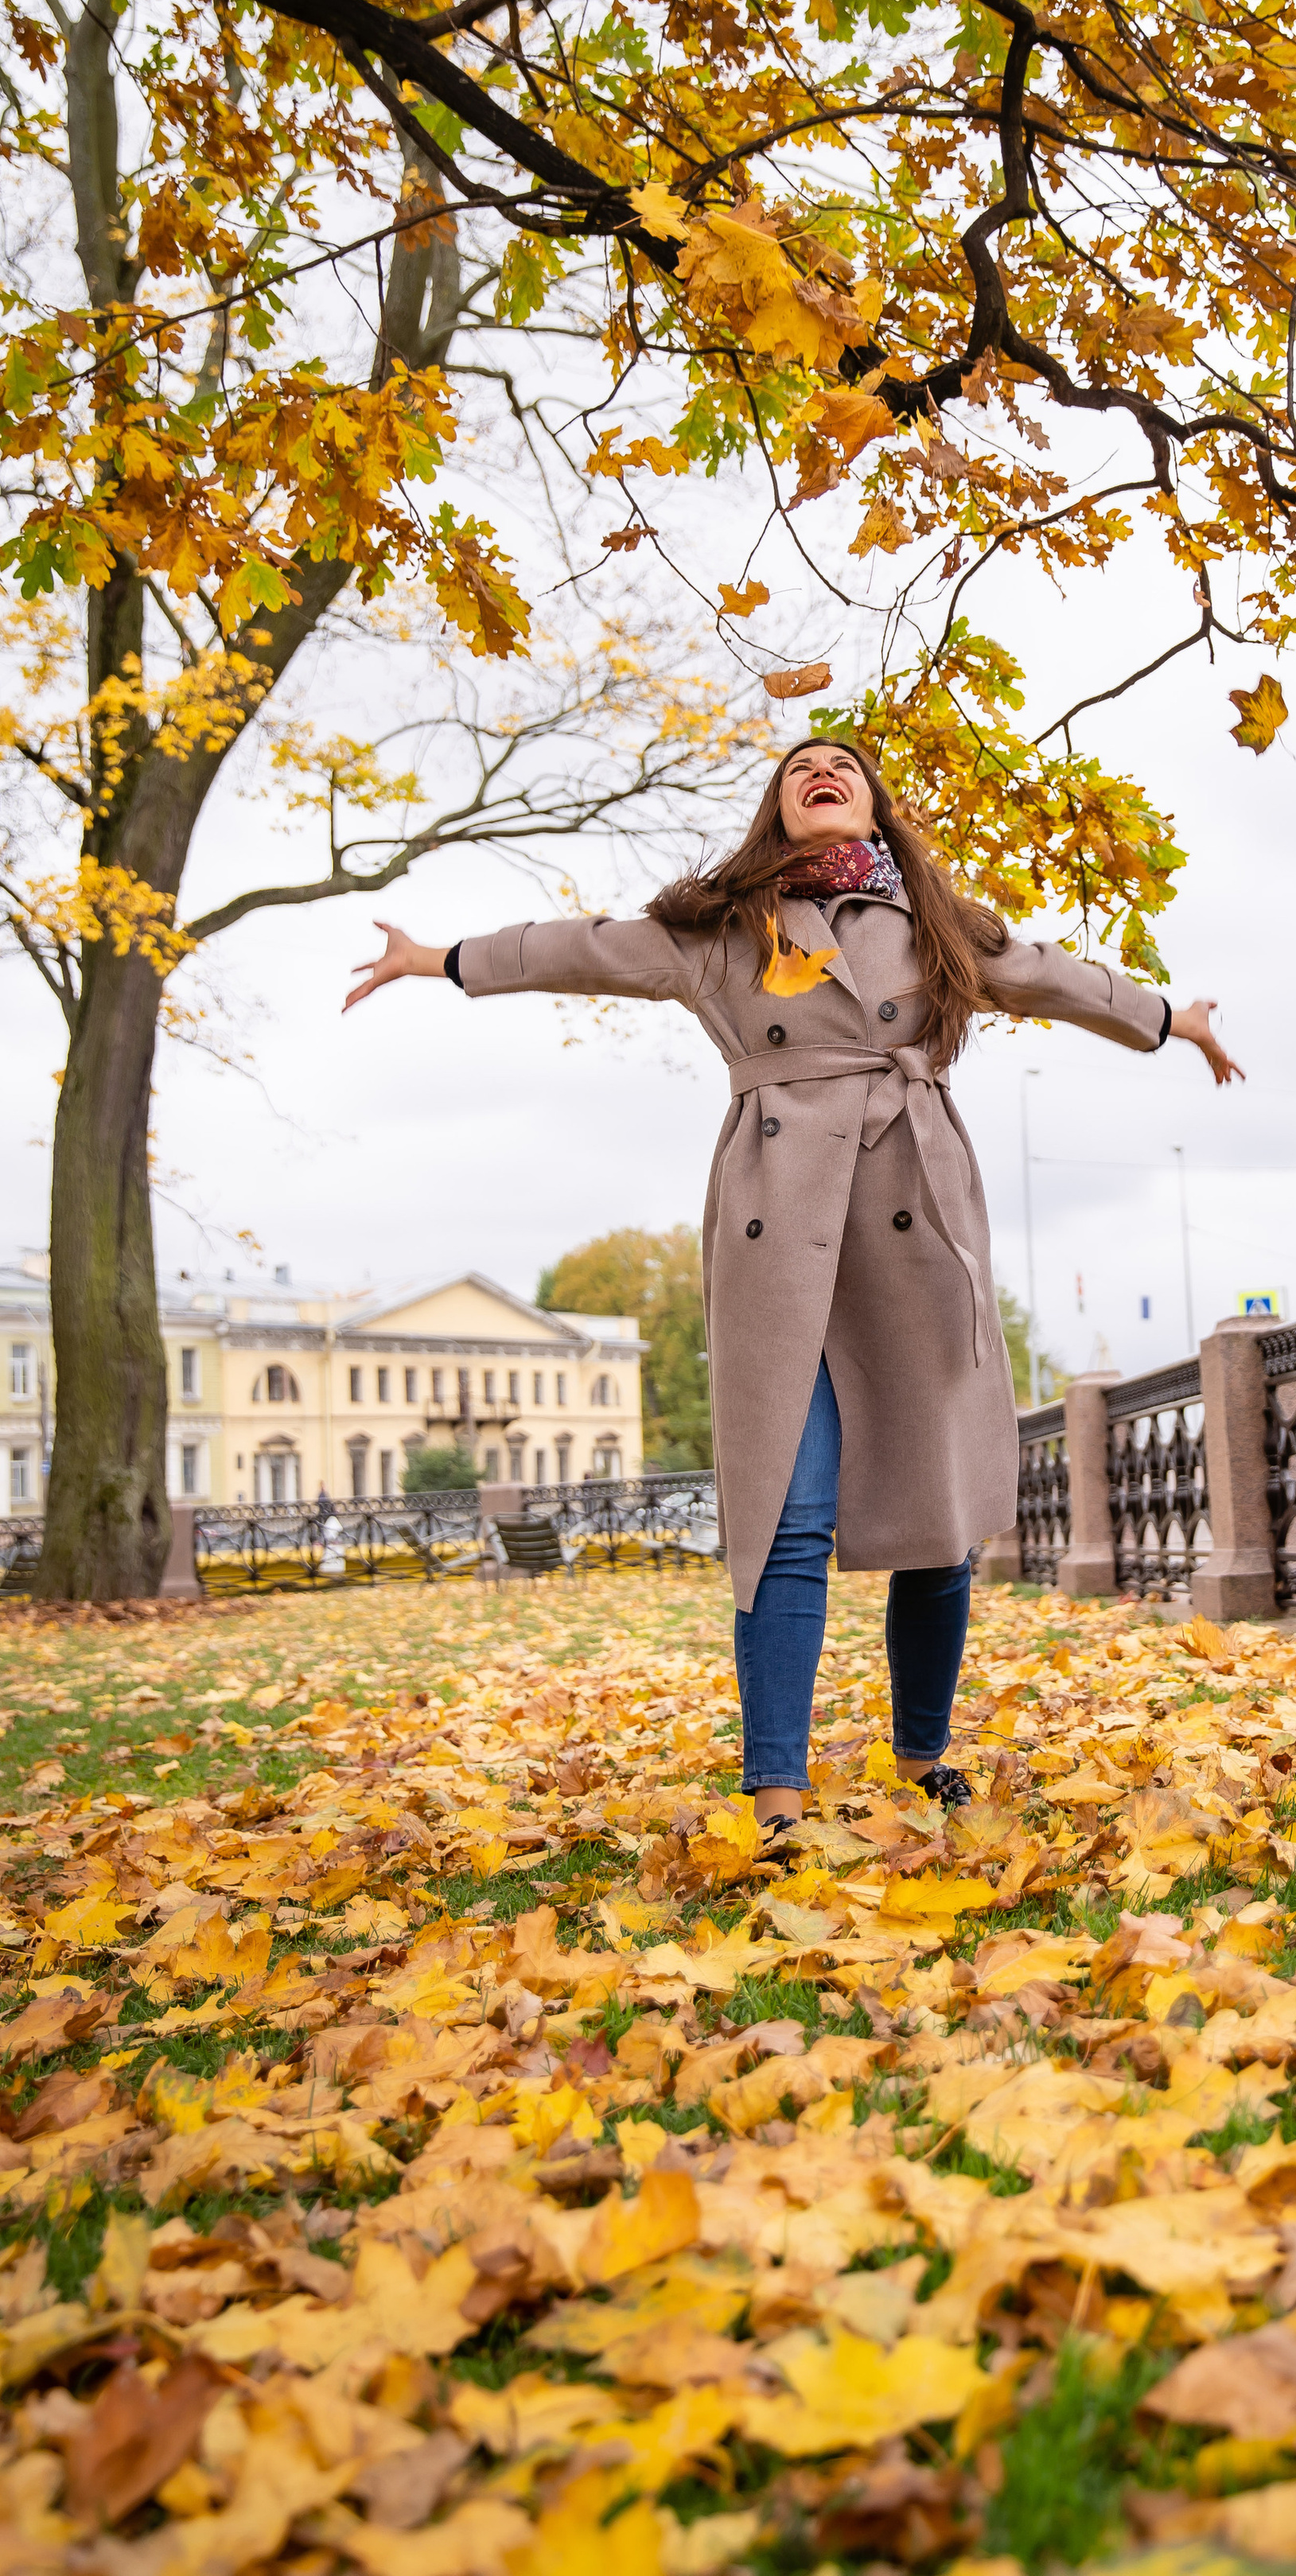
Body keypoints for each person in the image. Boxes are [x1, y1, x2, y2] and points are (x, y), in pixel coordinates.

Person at [343, 738, 1240, 1843]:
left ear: (875, 807)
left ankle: (922, 1754)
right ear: (778, 806)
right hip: (782, 1227)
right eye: (799, 766)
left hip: (915, 1213)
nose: (821, 769)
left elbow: (1055, 975)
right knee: (786, 1508)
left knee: (938, 1514)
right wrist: (439, 957)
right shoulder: (724, 931)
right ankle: (776, 1786)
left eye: (845, 766)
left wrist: (1169, 1021)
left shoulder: (938, 924)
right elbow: (575, 949)